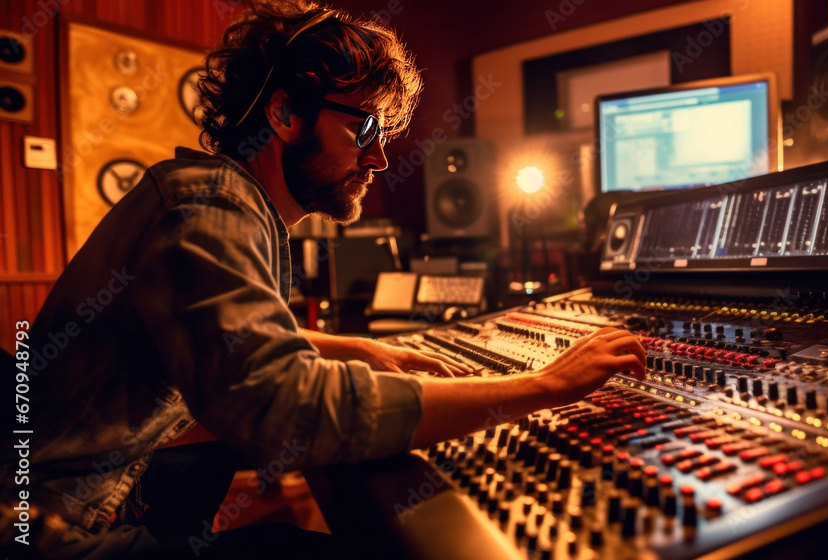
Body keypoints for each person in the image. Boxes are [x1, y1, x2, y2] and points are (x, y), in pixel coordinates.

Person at [0, 2, 644, 558]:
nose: (381, 156)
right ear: (284, 114)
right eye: (363, 126)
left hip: (88, 487)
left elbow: (239, 339)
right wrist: (543, 385)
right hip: (52, 528)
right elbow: (282, 408)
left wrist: (358, 348)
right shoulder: (209, 208)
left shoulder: (221, 200)